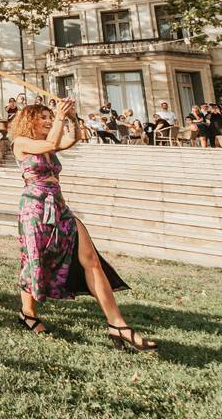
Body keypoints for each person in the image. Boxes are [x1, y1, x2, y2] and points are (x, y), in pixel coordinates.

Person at [11, 102, 156, 351]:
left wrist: (71, 118)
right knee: (35, 262)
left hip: (59, 206)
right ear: (29, 120)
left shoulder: (50, 143)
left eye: (49, 117)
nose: (48, 121)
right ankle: (28, 314)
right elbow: (52, 143)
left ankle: (117, 323)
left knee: (91, 260)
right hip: (34, 209)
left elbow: (70, 139)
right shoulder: (21, 142)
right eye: (43, 117)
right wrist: (58, 117)